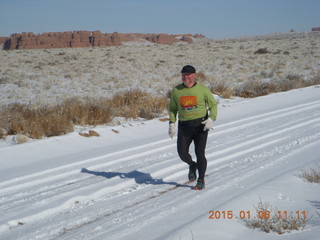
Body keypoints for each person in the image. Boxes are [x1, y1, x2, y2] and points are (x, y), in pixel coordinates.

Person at [168, 65, 217, 190]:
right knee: (182, 153)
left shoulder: (203, 90)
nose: (186, 77)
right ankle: (192, 165)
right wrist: (172, 123)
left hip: (201, 126)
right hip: (184, 127)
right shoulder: (176, 91)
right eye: (183, 75)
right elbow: (173, 109)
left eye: (188, 75)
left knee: (200, 153)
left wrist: (211, 119)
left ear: (194, 75)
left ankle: (201, 180)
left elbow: (213, 106)